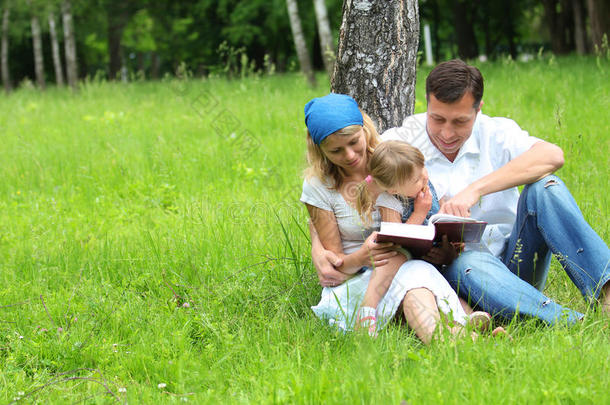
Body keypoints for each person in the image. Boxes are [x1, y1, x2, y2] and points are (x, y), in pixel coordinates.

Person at [375, 59, 610, 324]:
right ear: (427, 103)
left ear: (478, 110)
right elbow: (357, 179)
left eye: (460, 121)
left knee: (546, 187)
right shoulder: (401, 141)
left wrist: (475, 189)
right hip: (457, 274)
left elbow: (552, 156)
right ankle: (571, 322)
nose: (447, 132)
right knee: (467, 263)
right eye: (437, 118)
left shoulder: (496, 131)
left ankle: (606, 293)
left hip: (517, 261)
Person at [301, 93, 474, 343]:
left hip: (408, 265)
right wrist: (361, 256)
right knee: (413, 277)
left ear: (365, 129)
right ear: (320, 150)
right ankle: (465, 331)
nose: (349, 155)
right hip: (358, 281)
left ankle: (463, 339)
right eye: (336, 150)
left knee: (414, 277)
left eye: (353, 142)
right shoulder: (318, 186)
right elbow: (335, 269)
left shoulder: (392, 159)